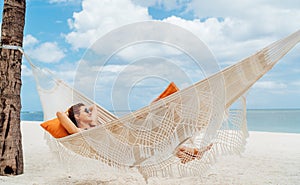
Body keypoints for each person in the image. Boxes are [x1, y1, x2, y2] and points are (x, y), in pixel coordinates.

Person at [57, 103, 212, 164]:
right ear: (77, 117)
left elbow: (95, 106)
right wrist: (69, 112)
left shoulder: (93, 124)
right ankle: (191, 153)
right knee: (154, 140)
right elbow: (59, 114)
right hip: (119, 150)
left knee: (157, 140)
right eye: (85, 111)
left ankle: (188, 154)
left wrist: (83, 109)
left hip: (124, 141)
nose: (89, 112)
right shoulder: (79, 131)